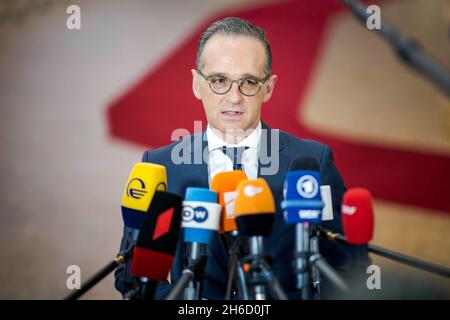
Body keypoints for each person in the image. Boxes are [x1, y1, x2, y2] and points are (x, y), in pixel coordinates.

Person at [115, 17, 370, 300]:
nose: (234, 98)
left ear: (269, 87)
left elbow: (348, 268)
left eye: (248, 82)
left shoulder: (311, 162)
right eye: (219, 80)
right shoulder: (161, 167)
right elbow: (131, 276)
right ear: (197, 84)